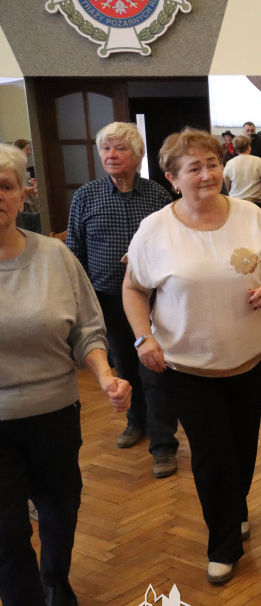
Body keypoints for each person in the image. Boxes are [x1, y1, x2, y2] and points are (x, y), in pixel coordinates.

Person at [122, 128, 261, 586]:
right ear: (172, 177)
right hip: (186, 365)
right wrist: (143, 339)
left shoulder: (252, 216)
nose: (207, 174)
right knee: (213, 453)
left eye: (212, 163)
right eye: (193, 167)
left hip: (249, 358)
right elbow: (134, 289)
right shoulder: (155, 229)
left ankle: (235, 509)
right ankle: (222, 543)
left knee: (243, 446)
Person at [0, 144, 131, 606]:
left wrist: (105, 375)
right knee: (6, 536)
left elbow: (87, 329)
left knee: (60, 510)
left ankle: (54, 576)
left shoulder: (54, 257)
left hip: (54, 412)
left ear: (20, 193)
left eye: (4, 186)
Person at [65, 121, 180, 478]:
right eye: (106, 149)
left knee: (156, 370)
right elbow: (74, 251)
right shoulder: (86, 196)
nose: (111, 155)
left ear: (138, 155)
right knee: (126, 367)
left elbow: (172, 246)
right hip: (108, 300)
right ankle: (136, 422)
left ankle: (163, 445)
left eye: (120, 149)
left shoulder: (158, 196)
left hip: (155, 301)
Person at [224, 134, 261, 212]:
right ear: (248, 147)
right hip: (256, 203)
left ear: (236, 148)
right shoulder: (259, 161)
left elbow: (226, 186)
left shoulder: (230, 163)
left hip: (236, 202)